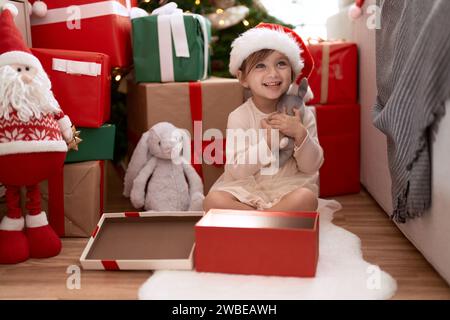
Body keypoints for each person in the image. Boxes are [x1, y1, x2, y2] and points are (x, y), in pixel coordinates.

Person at [203, 23, 324, 212]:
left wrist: (300, 134)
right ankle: (270, 220)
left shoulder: (302, 114)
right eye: (260, 65)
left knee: (306, 199)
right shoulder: (239, 117)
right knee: (213, 202)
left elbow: (312, 166)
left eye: (281, 63)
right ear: (243, 78)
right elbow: (237, 171)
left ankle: (260, 221)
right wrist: (267, 144)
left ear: (292, 73)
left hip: (288, 189)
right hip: (246, 190)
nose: (273, 73)